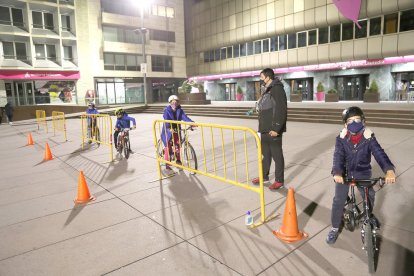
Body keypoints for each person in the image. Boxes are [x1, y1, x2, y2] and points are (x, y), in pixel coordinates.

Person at [326, 106, 396, 245]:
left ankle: (368, 215)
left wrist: (388, 170)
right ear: (345, 124)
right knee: (339, 200)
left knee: (369, 195)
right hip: (344, 174)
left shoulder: (369, 137)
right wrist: (337, 172)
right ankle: (334, 228)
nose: (354, 123)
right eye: (350, 120)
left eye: (357, 119)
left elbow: (379, 153)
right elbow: (338, 156)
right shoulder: (341, 139)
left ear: (363, 121)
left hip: (362, 172)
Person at [251, 68, 287, 190]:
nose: (260, 79)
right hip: (264, 128)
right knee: (265, 155)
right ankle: (264, 176)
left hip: (273, 129)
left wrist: (277, 128)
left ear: (268, 77)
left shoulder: (277, 89)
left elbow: (281, 109)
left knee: (277, 156)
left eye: (262, 77)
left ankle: (279, 180)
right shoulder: (267, 89)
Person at [161, 95, 194, 173]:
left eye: (176, 102)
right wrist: (170, 128)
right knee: (168, 147)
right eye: (172, 102)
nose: (174, 103)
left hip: (176, 130)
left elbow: (185, 117)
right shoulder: (167, 110)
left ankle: (178, 160)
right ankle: (167, 164)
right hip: (168, 130)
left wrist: (191, 123)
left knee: (177, 145)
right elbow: (166, 119)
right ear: (170, 103)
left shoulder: (180, 110)